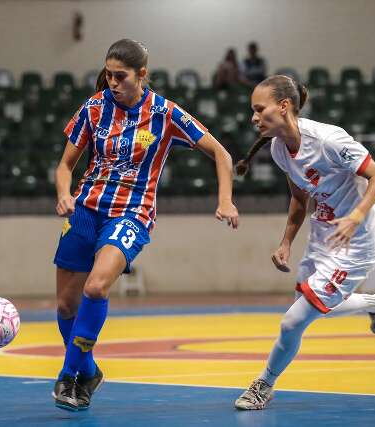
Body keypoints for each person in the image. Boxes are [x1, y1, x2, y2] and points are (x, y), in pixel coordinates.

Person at [52, 39, 239, 411]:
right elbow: (64, 166)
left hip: (131, 214)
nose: (112, 82)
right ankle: (88, 370)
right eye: (108, 75)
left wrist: (225, 199)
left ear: (142, 75)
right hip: (86, 209)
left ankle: (69, 374)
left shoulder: (165, 114)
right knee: (65, 304)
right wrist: (63, 194)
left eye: (120, 76)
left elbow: (221, 152)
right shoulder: (92, 108)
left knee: (96, 286)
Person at [233, 75, 375, 410]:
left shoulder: (328, 140)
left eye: (258, 109)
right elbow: (299, 198)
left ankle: (263, 385)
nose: (253, 117)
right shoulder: (280, 149)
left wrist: (355, 216)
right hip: (323, 236)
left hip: (357, 242)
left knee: (293, 320)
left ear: (283, 106)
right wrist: (286, 243)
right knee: (311, 310)